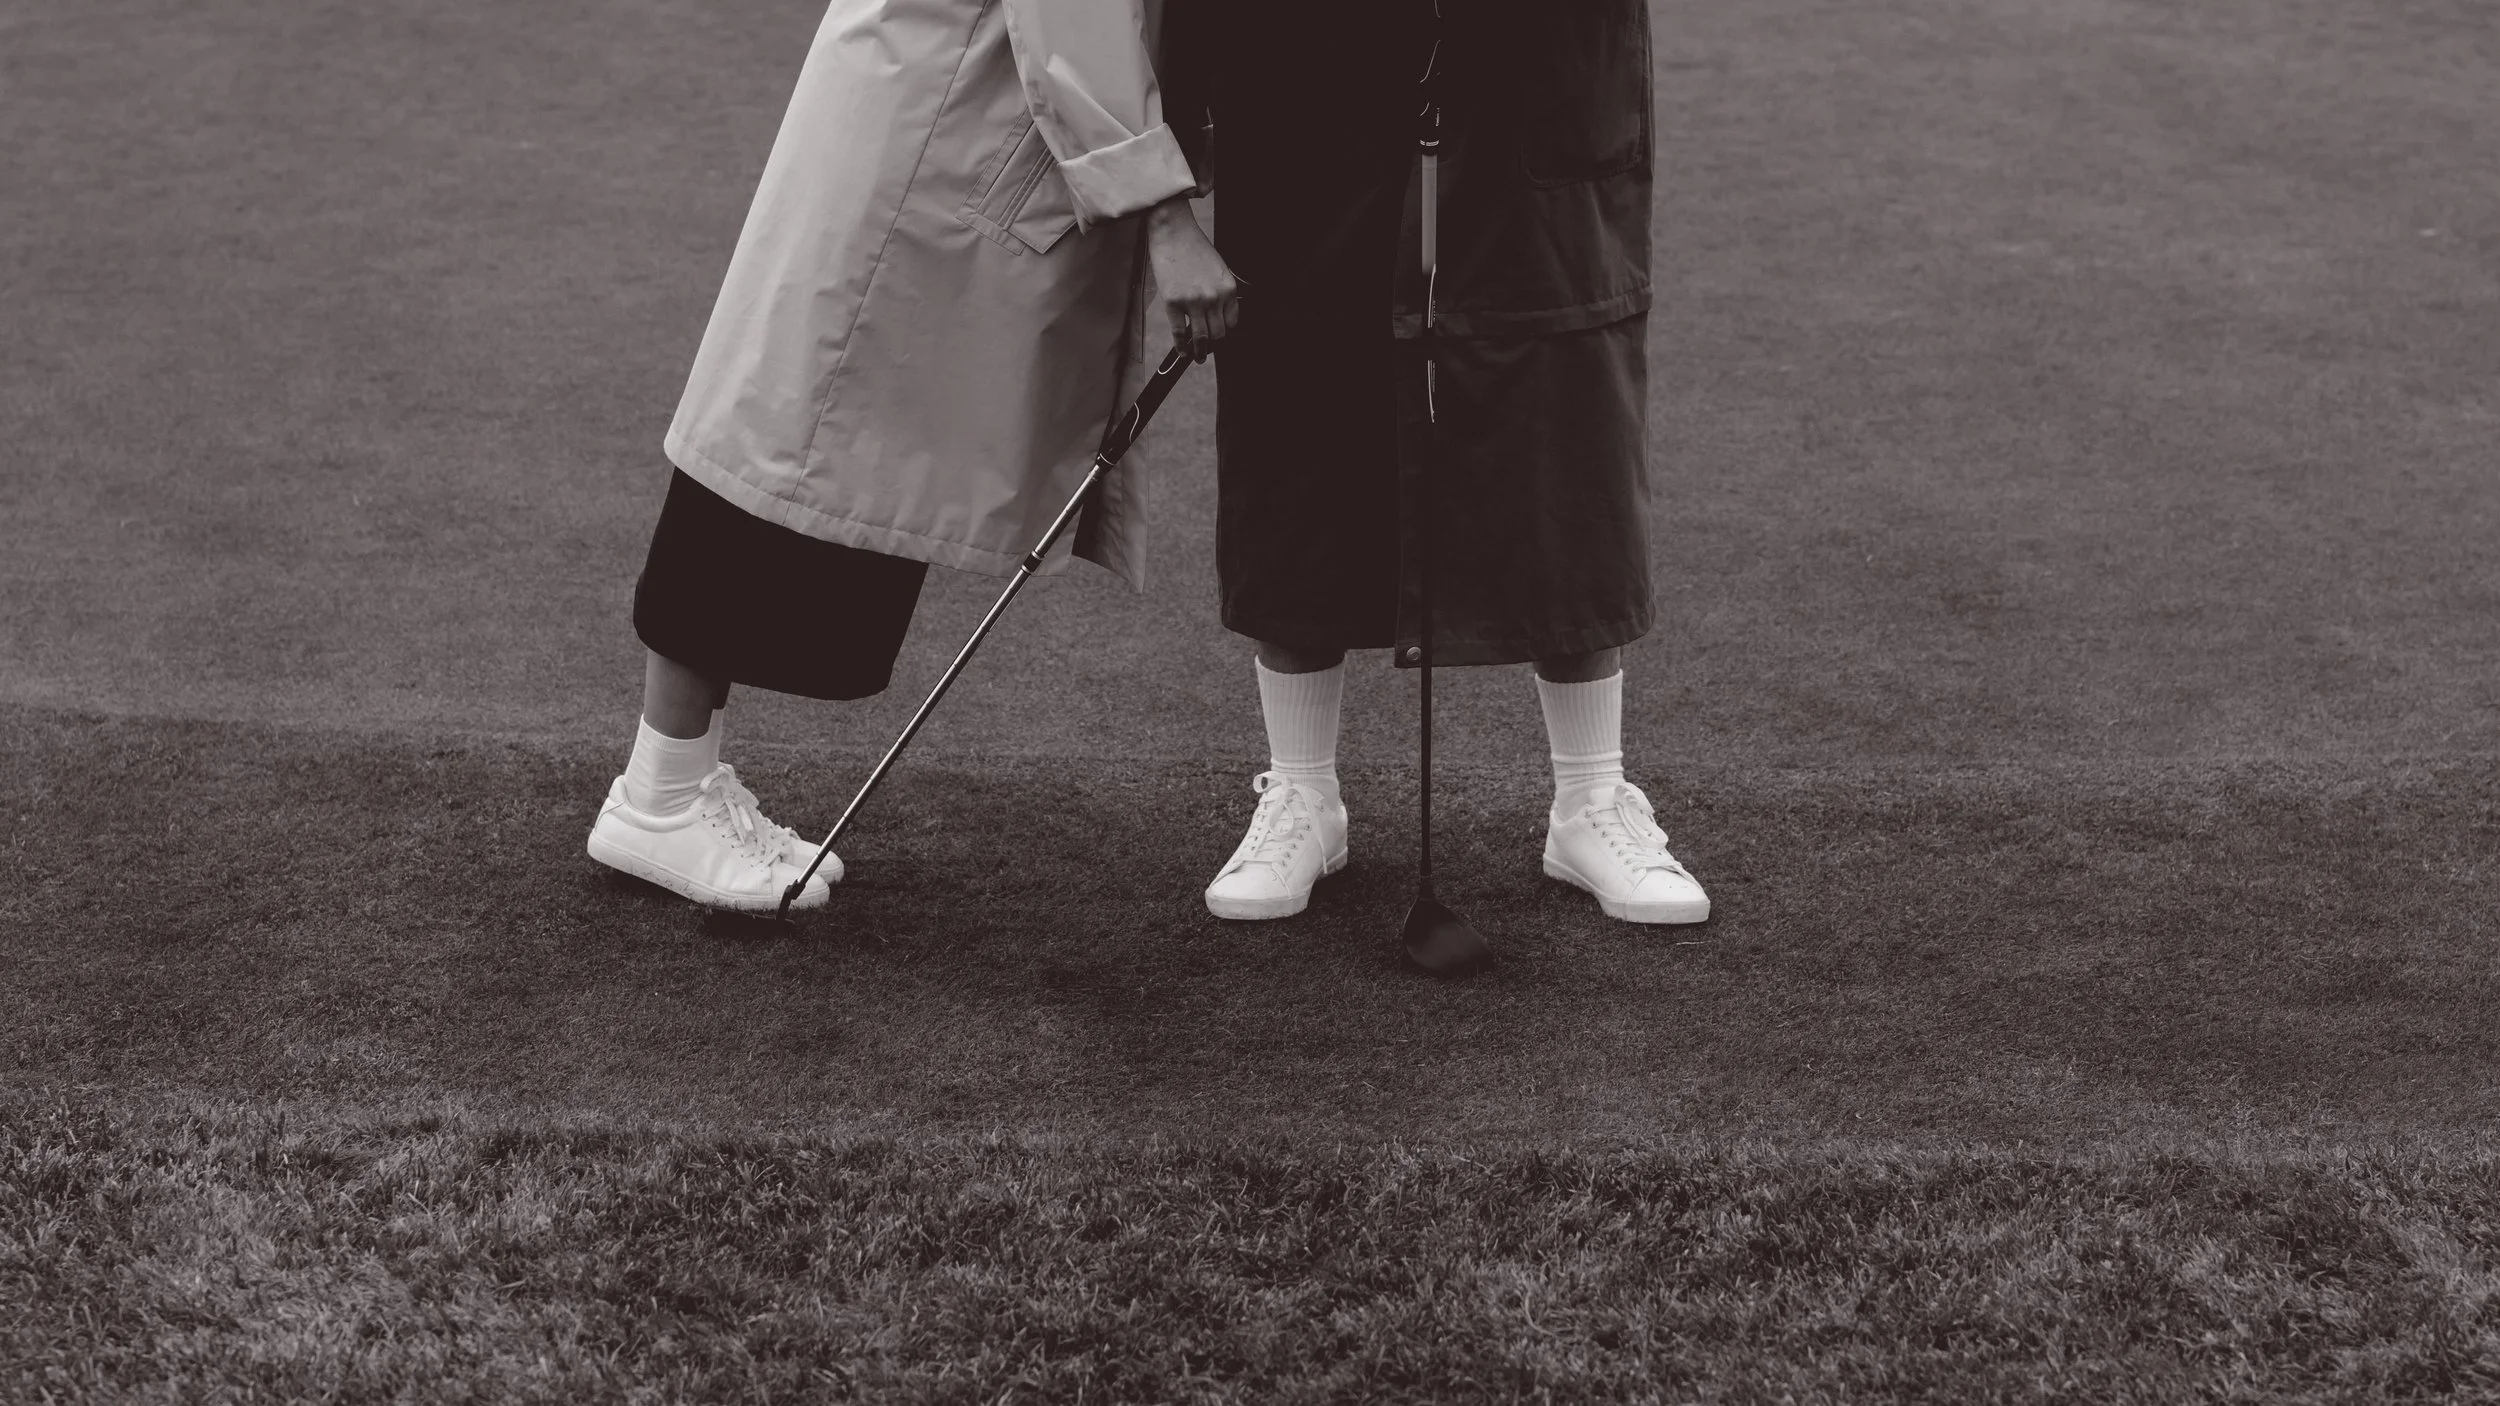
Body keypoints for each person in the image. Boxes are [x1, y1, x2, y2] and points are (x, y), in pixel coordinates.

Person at [589, 0, 1241, 912]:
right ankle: (659, 796)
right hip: (948, 114)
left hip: (948, 107)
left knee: (798, 430)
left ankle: (673, 778)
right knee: (781, 436)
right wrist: (1165, 215)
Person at [1167, 0, 1710, 925]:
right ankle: (1302, 792)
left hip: (1544, 77)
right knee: (1298, 412)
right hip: (1297, 76)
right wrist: (1165, 194)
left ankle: (1591, 798)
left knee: (1563, 419)